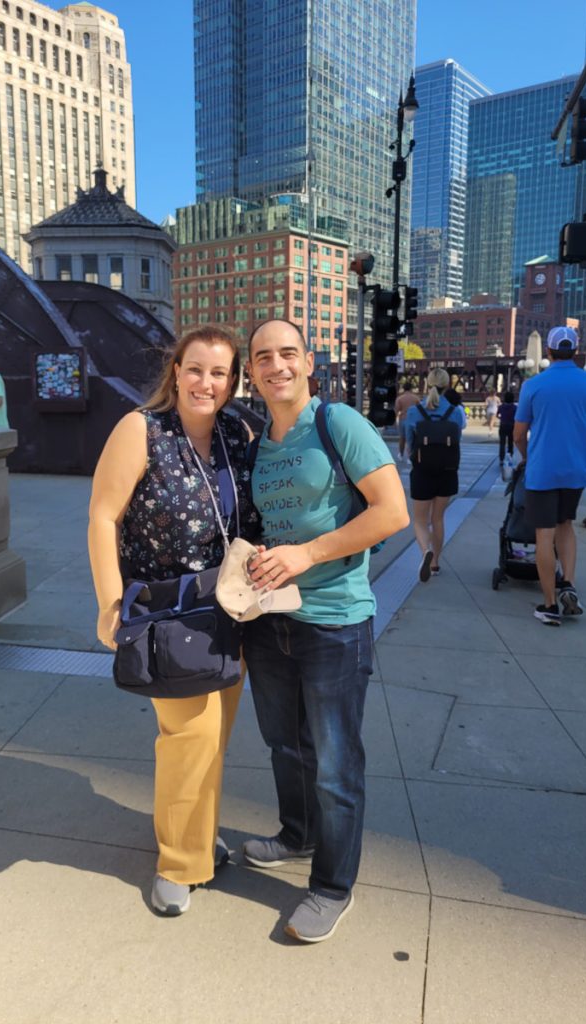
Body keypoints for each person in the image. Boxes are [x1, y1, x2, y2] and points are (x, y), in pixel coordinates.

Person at [240, 318, 409, 944]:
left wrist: (307, 555)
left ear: (309, 362)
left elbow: (393, 513)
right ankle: (297, 834)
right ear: (251, 372)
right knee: (285, 745)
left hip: (335, 621)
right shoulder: (260, 443)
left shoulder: (340, 425)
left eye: (288, 353)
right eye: (263, 357)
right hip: (271, 617)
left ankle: (333, 886)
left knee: (336, 764)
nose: (276, 365)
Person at [87, 325, 260, 915]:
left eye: (219, 373)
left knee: (215, 737)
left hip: (228, 609)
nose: (206, 382)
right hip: (166, 612)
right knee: (190, 734)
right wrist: (110, 602)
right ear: (175, 371)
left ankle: (195, 828)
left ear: (233, 381)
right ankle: (180, 864)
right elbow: (103, 516)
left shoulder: (238, 434)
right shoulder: (141, 429)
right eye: (195, 369)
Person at [513, 326, 586, 626]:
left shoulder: (534, 385)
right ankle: (568, 583)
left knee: (545, 534)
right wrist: (582, 453)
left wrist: (529, 456)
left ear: (550, 352)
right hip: (577, 470)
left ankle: (550, 604)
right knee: (566, 525)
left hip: (542, 469)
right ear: (576, 351)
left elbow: (518, 434)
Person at [404, 367, 466, 581]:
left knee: (420, 520)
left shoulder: (414, 412)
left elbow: (410, 443)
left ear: (427, 385)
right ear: (447, 385)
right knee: (438, 518)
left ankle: (424, 553)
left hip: (422, 471)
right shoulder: (456, 412)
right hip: (447, 471)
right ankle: (436, 563)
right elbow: (458, 436)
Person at [394, 380, 421, 461]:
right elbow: (420, 410)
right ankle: (410, 456)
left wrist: (394, 422)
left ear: (404, 389)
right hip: (413, 420)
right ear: (411, 389)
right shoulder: (416, 398)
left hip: (402, 419)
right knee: (411, 439)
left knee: (402, 438)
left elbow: (396, 410)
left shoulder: (400, 398)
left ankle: (401, 454)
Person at [497, 390, 517, 468]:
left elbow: (497, 415)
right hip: (512, 425)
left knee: (502, 443)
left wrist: (501, 418)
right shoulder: (515, 407)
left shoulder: (501, 407)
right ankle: (510, 457)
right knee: (510, 442)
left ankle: (501, 459)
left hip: (503, 425)